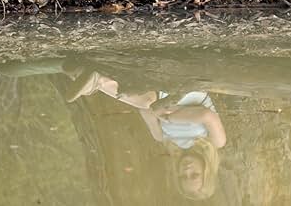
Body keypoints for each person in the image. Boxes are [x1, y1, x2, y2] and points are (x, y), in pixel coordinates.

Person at [65, 69, 226, 200]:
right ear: (207, 170)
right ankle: (97, 82)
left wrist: (161, 111)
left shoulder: (165, 140)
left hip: (160, 93)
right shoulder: (216, 142)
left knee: (146, 101)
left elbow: (145, 112)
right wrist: (168, 116)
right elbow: (206, 116)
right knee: (148, 99)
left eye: (183, 176)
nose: (187, 170)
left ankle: (84, 74)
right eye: (194, 175)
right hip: (189, 87)